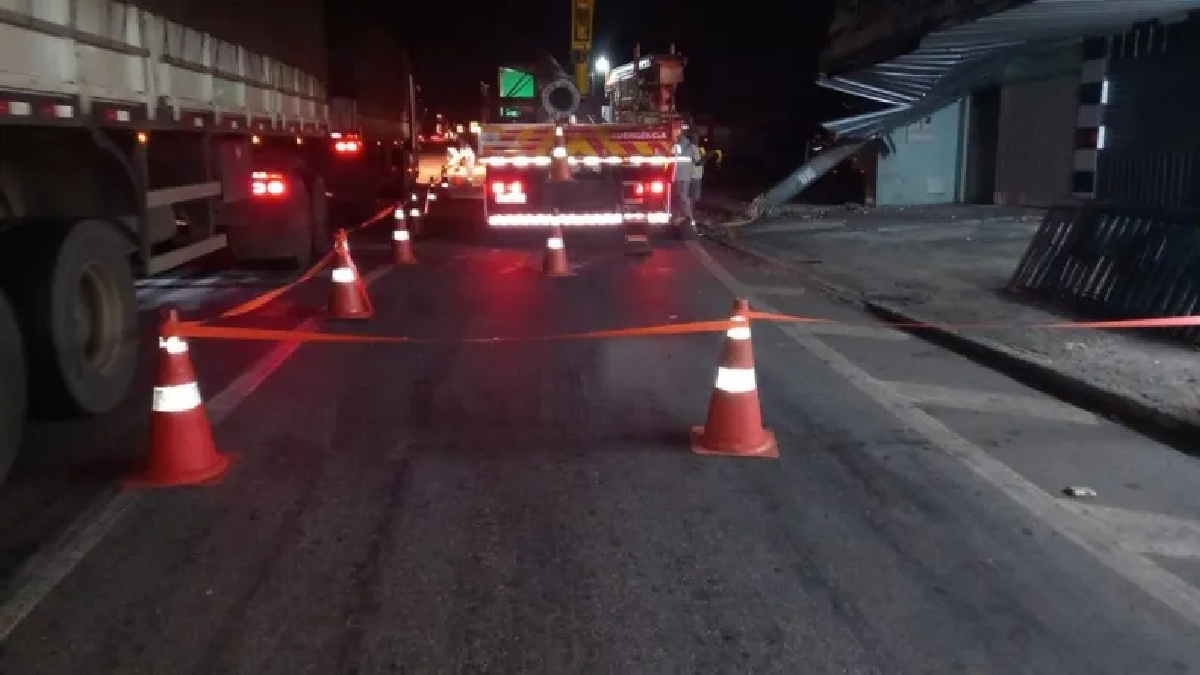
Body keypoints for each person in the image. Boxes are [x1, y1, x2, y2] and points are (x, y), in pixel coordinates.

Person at [672, 132, 701, 224]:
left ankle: (687, 217)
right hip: (686, 176)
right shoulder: (691, 146)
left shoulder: (677, 145)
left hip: (678, 176)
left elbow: (672, 154)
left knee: (682, 197)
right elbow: (697, 162)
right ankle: (687, 218)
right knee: (684, 197)